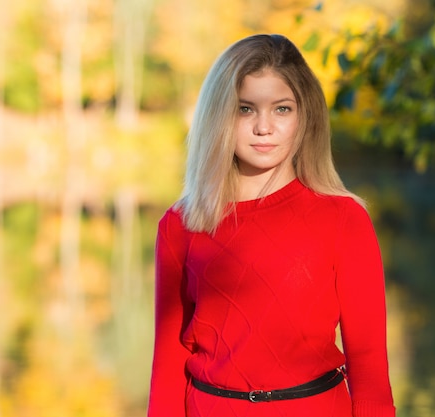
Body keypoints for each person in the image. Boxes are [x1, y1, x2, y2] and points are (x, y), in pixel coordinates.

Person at [147, 34, 396, 417]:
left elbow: (369, 366)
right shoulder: (181, 225)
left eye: (281, 109)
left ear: (304, 116)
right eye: (245, 109)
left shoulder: (344, 219)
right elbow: (167, 363)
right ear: (219, 116)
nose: (264, 127)